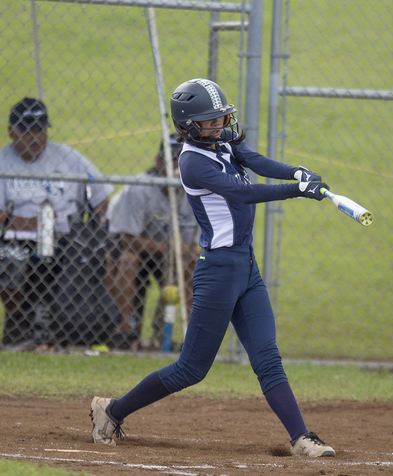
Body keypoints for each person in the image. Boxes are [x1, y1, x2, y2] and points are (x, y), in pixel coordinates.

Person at [90, 78, 336, 457]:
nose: (220, 125)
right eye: (211, 121)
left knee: (267, 357)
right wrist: (295, 191)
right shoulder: (191, 162)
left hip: (246, 267)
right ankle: (111, 411)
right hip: (218, 270)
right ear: (189, 125)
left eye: (222, 118)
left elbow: (253, 160)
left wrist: (296, 172)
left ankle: (302, 437)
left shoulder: (221, 142)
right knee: (191, 369)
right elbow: (242, 192)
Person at [0, 97, 114, 346]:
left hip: (67, 238)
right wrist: (25, 223)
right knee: (10, 259)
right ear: (11, 131)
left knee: (98, 254)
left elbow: (102, 197)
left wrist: (89, 228)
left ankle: (84, 328)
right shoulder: (3, 161)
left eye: (40, 131)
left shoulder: (67, 157)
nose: (34, 138)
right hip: (19, 241)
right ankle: (19, 320)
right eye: (26, 131)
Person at [106, 133, 200, 349]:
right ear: (159, 161)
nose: (178, 165)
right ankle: (125, 329)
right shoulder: (139, 188)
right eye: (173, 158)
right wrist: (169, 248)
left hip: (169, 253)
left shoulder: (196, 193)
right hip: (137, 249)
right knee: (128, 260)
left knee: (194, 261)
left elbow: (191, 244)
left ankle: (188, 336)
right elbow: (127, 240)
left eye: (185, 158)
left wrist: (179, 251)